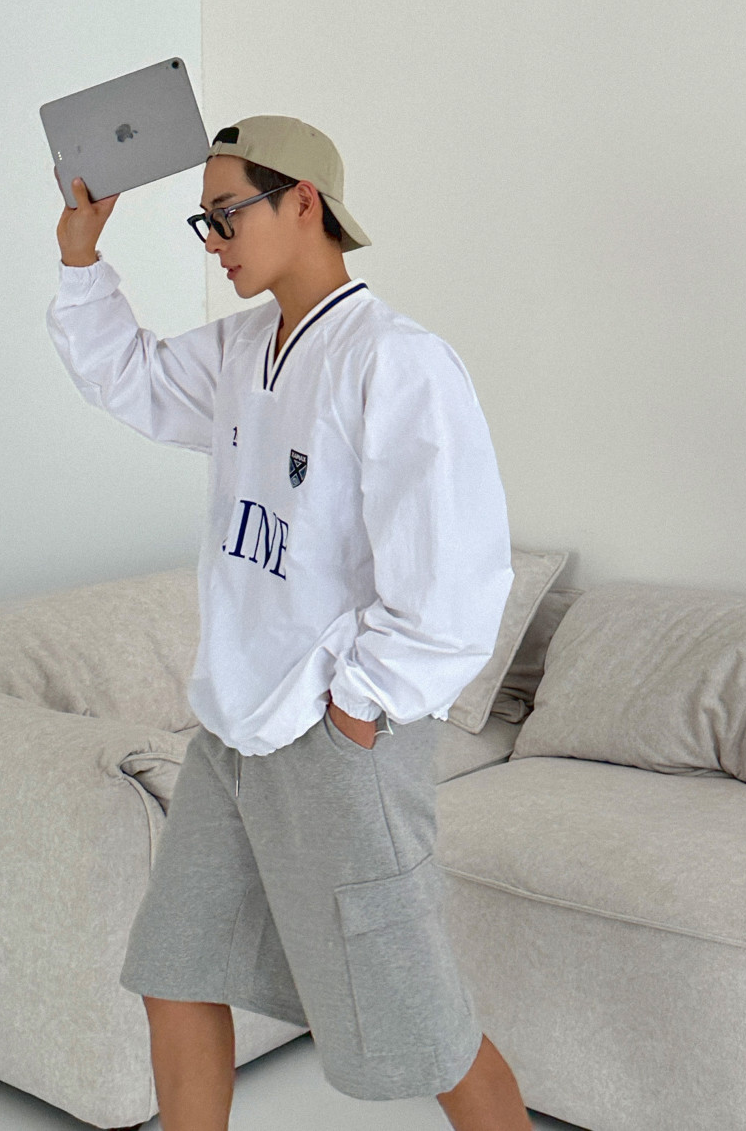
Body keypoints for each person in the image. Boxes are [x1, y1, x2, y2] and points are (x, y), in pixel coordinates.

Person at [46, 114, 531, 1130]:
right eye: (204, 221)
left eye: (226, 214)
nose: (213, 241)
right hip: (232, 730)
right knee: (175, 966)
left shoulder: (397, 360)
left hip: (335, 739)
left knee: (419, 1016)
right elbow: (132, 378)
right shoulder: (241, 349)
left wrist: (357, 708)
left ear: (303, 201)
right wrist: (82, 257)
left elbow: (453, 578)